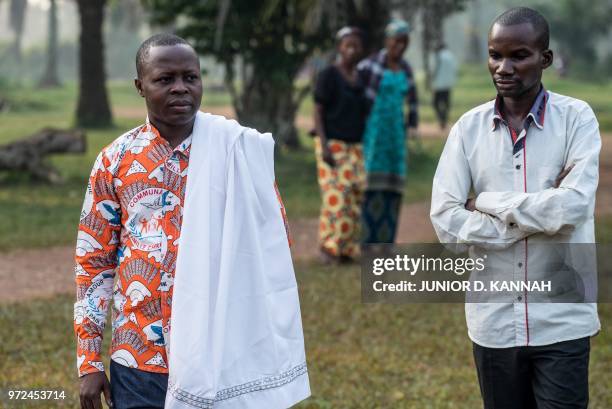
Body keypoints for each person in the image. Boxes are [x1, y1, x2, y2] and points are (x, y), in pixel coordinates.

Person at [74, 33, 310, 409]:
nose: (180, 89)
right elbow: (93, 264)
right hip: (139, 358)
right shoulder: (114, 161)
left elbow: (273, 241)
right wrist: (88, 360)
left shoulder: (236, 151)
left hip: (220, 352)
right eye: (165, 80)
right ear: (140, 86)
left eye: (190, 77)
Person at [430, 7, 600, 409]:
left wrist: (486, 203)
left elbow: (571, 208)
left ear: (545, 58)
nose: (503, 67)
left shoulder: (577, 120)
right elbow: (446, 220)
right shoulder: (468, 130)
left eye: (518, 55)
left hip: (563, 319)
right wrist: (530, 221)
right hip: (494, 325)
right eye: (495, 55)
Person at [358, 19, 418, 244]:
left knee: (393, 187)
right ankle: (365, 238)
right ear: (387, 41)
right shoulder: (370, 65)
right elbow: (356, 96)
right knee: (369, 184)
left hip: (395, 137)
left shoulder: (406, 69)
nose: (400, 46)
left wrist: (412, 125)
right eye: (396, 41)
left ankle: (386, 238)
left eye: (404, 42)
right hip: (373, 135)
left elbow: (412, 102)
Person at [313, 26, 368, 264]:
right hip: (332, 144)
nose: (352, 50)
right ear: (340, 48)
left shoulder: (360, 78)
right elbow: (318, 110)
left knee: (355, 196)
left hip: (355, 146)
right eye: (348, 45)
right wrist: (324, 145)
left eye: (356, 45)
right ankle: (329, 248)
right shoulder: (328, 75)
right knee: (338, 198)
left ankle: (347, 249)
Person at [431, 42, 458, 130]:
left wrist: (431, 82)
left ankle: (441, 119)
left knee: (435, 103)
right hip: (448, 84)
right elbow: (455, 69)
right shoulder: (451, 56)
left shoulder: (437, 56)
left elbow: (433, 69)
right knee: (446, 103)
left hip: (438, 84)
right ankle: (444, 120)